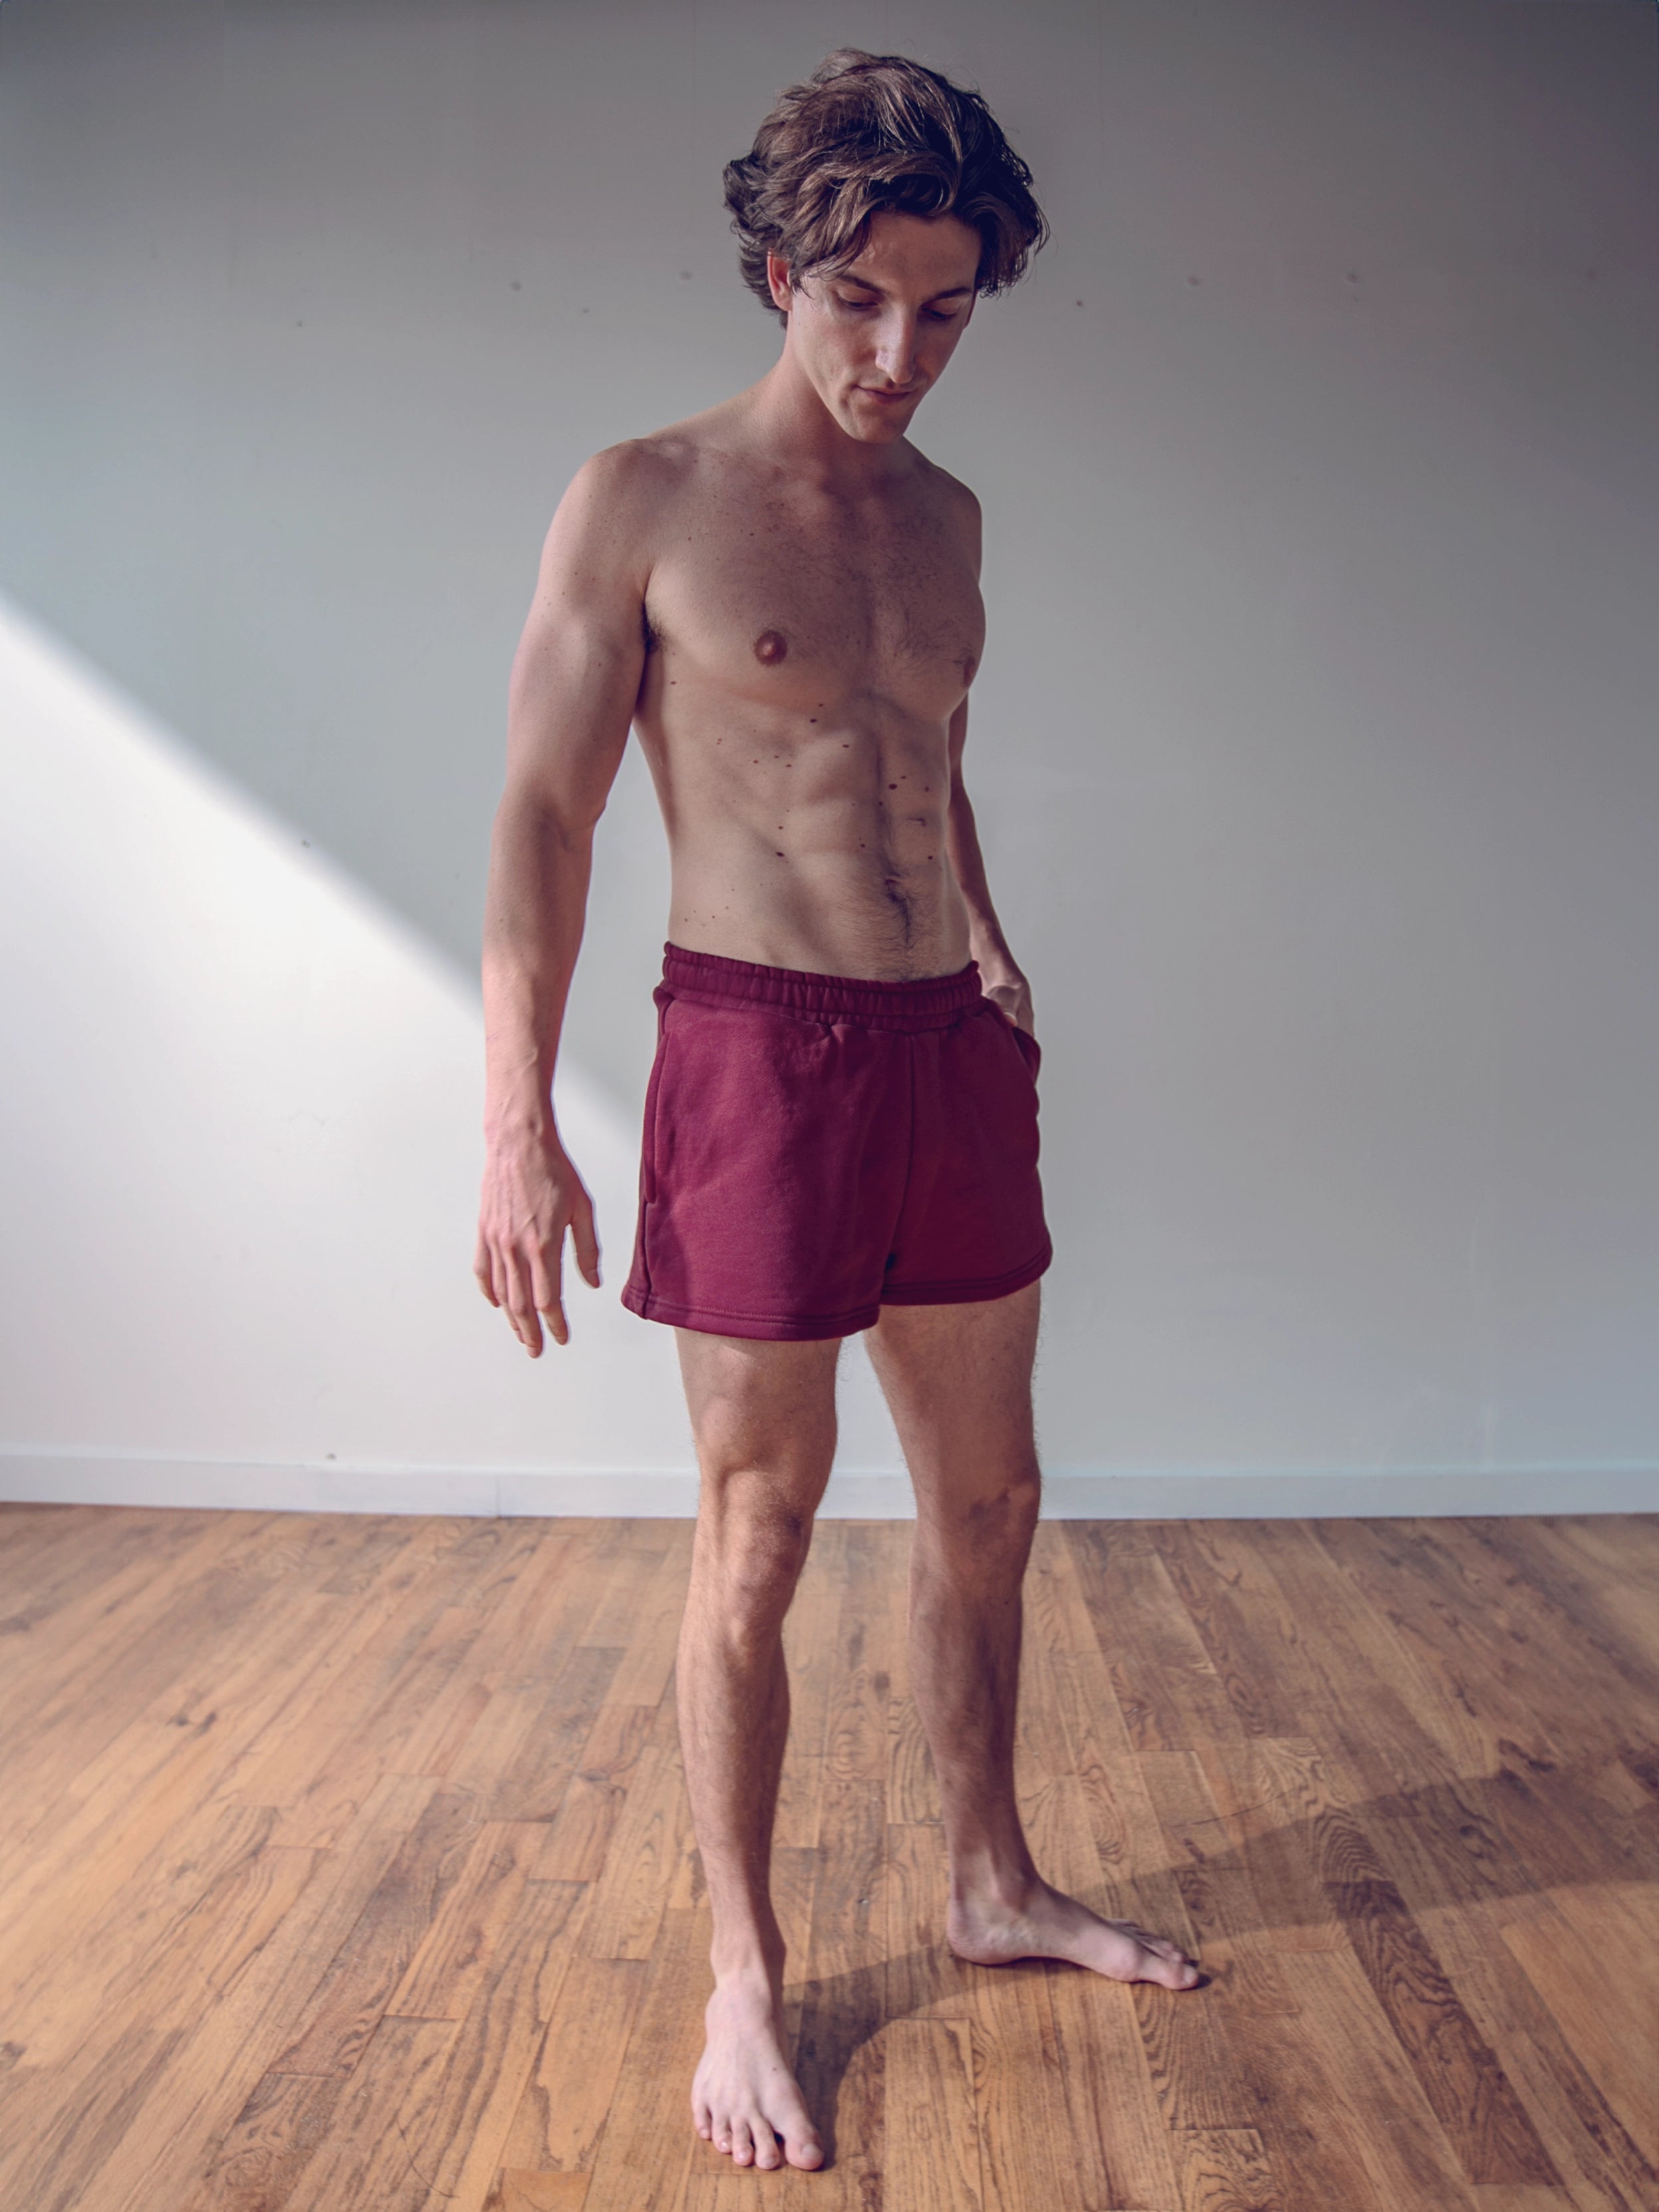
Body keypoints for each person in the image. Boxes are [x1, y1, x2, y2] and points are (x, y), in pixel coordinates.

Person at [474, 47, 1200, 2177]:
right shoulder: (641, 498)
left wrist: (992, 942)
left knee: (992, 1504)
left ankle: (992, 1879)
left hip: (944, 1050)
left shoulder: (951, 522)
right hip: (758, 1051)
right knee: (761, 1528)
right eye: (861, 300)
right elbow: (541, 814)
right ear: (775, 270)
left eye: (948, 310)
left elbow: (921, 754)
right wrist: (513, 1117)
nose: (902, 354)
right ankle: (746, 1970)